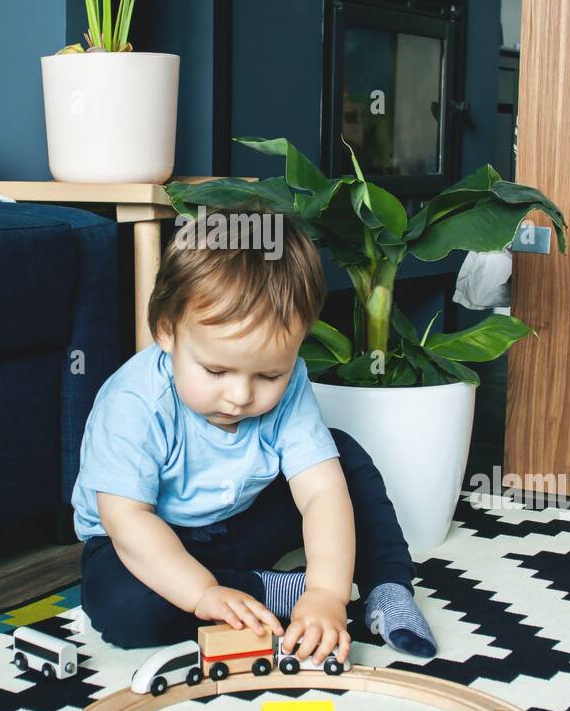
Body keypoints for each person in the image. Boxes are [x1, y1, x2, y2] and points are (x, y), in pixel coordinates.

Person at [72, 210, 437, 664]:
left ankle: (387, 589)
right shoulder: (134, 402)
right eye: (216, 370)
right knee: (123, 606)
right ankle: (270, 590)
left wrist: (327, 593)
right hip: (147, 538)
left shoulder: (293, 383)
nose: (241, 396)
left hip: (242, 523)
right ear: (166, 331)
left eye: (269, 374)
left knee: (341, 459)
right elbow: (127, 520)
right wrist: (203, 593)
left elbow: (320, 493)